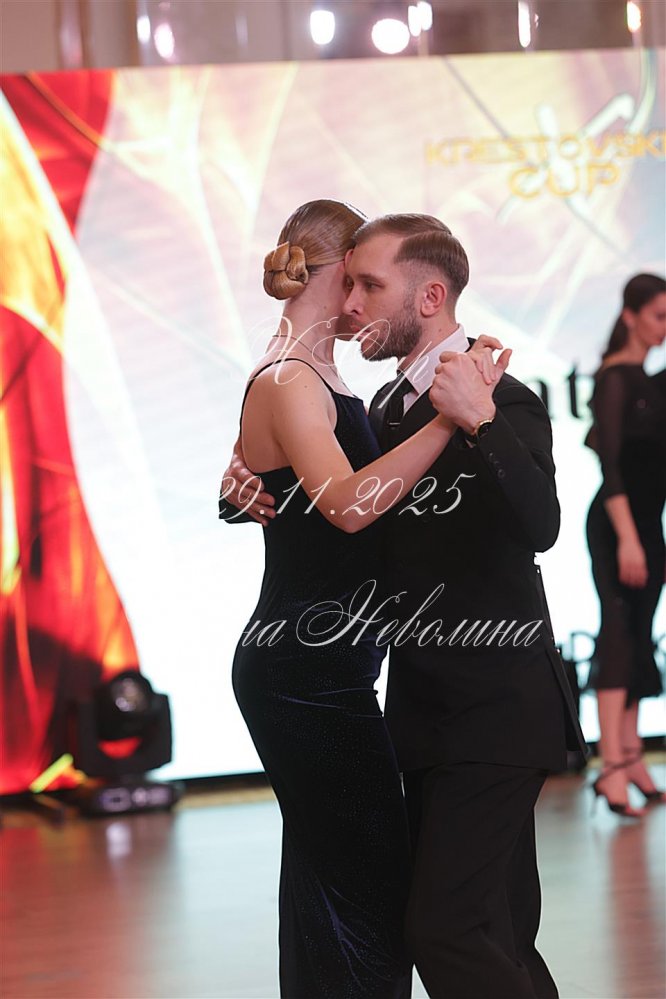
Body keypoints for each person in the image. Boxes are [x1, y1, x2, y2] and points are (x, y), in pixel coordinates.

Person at [223, 211, 586, 998]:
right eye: (350, 282)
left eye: (371, 285)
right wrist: (249, 480)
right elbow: (343, 505)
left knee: (446, 928)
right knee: (488, 929)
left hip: (495, 709)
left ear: (428, 297)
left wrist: (479, 417)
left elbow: (544, 526)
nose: (354, 303)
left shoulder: (506, 398)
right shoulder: (384, 405)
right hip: (416, 712)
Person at [585, 273, 666, 818]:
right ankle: (611, 765)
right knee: (617, 631)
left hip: (647, 527)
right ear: (631, 315)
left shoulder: (652, 382)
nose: (664, 327)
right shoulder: (615, 378)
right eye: (658, 315)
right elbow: (610, 466)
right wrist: (630, 540)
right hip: (618, 526)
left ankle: (632, 754)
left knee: (638, 634)